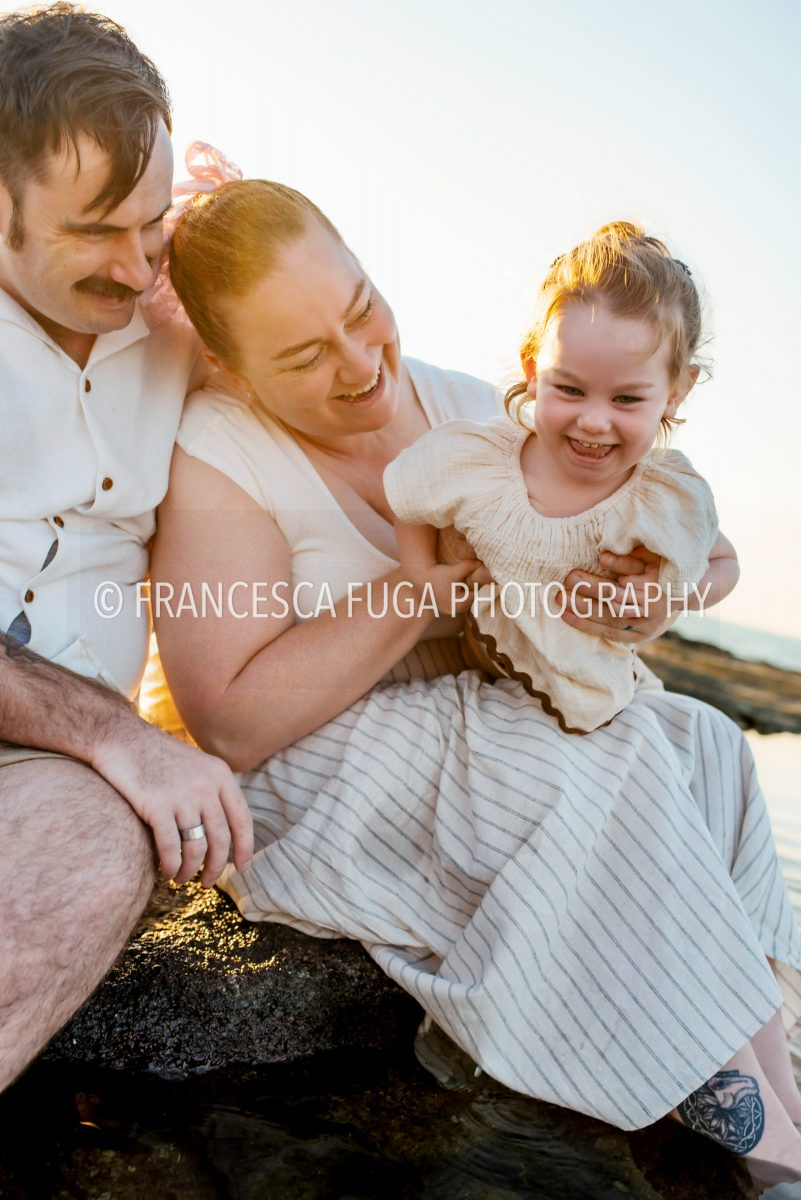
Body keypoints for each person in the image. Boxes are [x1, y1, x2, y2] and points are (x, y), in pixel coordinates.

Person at [152, 178, 801, 1184]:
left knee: (703, 739)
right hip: (321, 756)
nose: (361, 363)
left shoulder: (464, 407)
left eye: (361, 309)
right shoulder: (219, 452)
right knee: (606, 771)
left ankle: (773, 1082)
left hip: (483, 722)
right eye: (305, 356)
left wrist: (645, 597)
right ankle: (756, 1142)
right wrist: (427, 590)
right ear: (231, 365)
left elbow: (670, 539)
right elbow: (228, 722)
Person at [0, 4, 252, 1094]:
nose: (138, 263)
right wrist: (120, 736)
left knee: (96, 843)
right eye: (97, 230)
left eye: (152, 222)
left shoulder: (180, 315)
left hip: (51, 786)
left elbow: (355, 384)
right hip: (81, 750)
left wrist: (259, 277)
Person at [383, 222, 738, 734]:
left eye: (626, 399)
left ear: (676, 391)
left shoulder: (662, 499)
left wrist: (674, 597)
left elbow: (724, 562)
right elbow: (410, 495)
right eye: (570, 390)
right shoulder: (482, 461)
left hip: (587, 703)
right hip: (470, 662)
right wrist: (420, 572)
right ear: (533, 371)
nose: (593, 421)